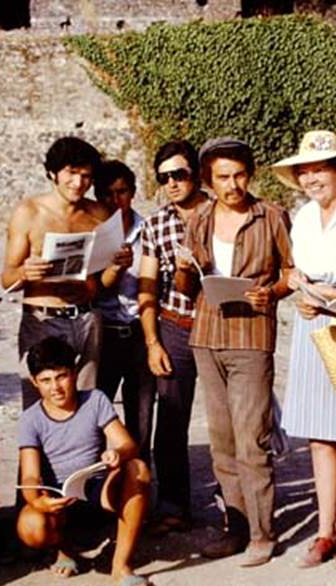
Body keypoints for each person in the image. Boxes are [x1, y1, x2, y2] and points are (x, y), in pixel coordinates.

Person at [175, 137, 294, 567]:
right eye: (223, 177)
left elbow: (291, 273)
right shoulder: (200, 219)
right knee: (221, 441)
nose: (233, 185)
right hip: (207, 335)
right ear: (208, 179)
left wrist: (272, 292)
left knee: (252, 439)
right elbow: (185, 288)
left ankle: (264, 533)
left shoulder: (272, 217)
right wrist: (184, 270)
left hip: (251, 337)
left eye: (240, 175)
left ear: (251, 174)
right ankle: (236, 528)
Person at [271, 130, 336, 570]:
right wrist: (298, 286)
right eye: (305, 171)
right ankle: (324, 530)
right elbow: (297, 270)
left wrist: (335, 296)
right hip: (312, 323)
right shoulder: (304, 217)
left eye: (319, 169)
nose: (311, 178)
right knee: (317, 436)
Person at [15, 336, 154, 586]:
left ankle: (121, 564)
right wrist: (38, 501)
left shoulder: (95, 400)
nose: (55, 387)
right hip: (59, 497)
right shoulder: (30, 419)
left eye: (61, 376)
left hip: (97, 488)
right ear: (34, 382)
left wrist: (117, 453)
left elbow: (128, 445)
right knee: (30, 526)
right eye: (45, 380)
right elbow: (30, 475)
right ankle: (63, 550)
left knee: (137, 469)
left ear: (75, 373)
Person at [1, 136, 111, 408]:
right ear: (53, 173)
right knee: (38, 403)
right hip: (42, 317)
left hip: (86, 317)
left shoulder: (98, 214)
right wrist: (25, 273)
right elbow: (7, 279)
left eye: (86, 176)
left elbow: (105, 280)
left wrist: (111, 269)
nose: (78, 183)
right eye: (71, 173)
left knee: (87, 403)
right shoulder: (29, 212)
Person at [138, 140, 209, 533]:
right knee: (171, 419)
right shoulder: (155, 224)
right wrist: (152, 341)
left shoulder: (222, 215)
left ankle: (241, 508)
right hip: (175, 327)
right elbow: (146, 286)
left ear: (196, 174)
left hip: (220, 327)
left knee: (231, 420)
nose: (172, 184)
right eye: (164, 178)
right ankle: (174, 506)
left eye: (179, 175)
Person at [93, 160, 156, 472]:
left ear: (132, 193)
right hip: (103, 332)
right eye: (107, 194)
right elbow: (91, 288)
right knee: (95, 413)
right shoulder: (92, 233)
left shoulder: (149, 232)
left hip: (138, 331)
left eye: (121, 192)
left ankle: (140, 488)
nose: (115, 201)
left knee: (141, 416)